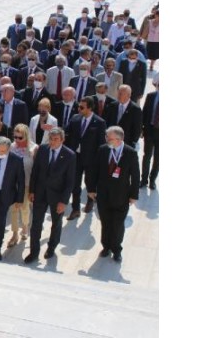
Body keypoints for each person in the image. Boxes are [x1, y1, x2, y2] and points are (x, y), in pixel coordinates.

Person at [88, 126, 140, 262]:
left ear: (119, 139)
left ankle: (117, 249)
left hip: (121, 196)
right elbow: (94, 170)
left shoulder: (130, 153)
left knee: (117, 224)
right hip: (103, 195)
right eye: (107, 137)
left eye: (109, 138)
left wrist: (134, 195)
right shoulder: (103, 150)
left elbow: (135, 176)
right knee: (105, 222)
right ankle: (106, 247)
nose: (106, 140)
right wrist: (91, 189)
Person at [25, 127, 76, 264]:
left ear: (62, 140)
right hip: (40, 194)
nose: (53, 142)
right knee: (35, 224)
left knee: (56, 223)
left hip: (57, 196)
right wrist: (32, 191)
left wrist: (64, 201)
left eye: (56, 140)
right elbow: (35, 171)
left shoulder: (69, 155)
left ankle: (51, 247)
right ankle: (34, 252)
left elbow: (70, 181)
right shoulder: (42, 149)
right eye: (51, 139)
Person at [64, 96, 106, 220]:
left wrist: (98, 161)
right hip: (75, 157)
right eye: (78, 106)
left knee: (90, 182)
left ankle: (90, 200)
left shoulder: (99, 122)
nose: (79, 109)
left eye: (82, 107)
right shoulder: (75, 119)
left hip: (91, 159)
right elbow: (67, 134)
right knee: (75, 184)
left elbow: (101, 143)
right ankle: (76, 209)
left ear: (90, 108)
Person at [7, 124, 38, 247]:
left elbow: (36, 170)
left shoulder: (34, 148)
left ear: (26, 136)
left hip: (26, 184)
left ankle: (25, 226)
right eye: (15, 137)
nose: (17, 140)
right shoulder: (11, 147)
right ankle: (14, 234)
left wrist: (33, 189)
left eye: (20, 138)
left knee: (25, 208)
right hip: (13, 184)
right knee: (13, 209)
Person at [140, 74, 159, 189]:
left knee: (158, 158)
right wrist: (142, 129)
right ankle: (144, 179)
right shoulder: (151, 96)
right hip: (150, 130)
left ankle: (152, 180)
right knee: (147, 156)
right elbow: (145, 112)